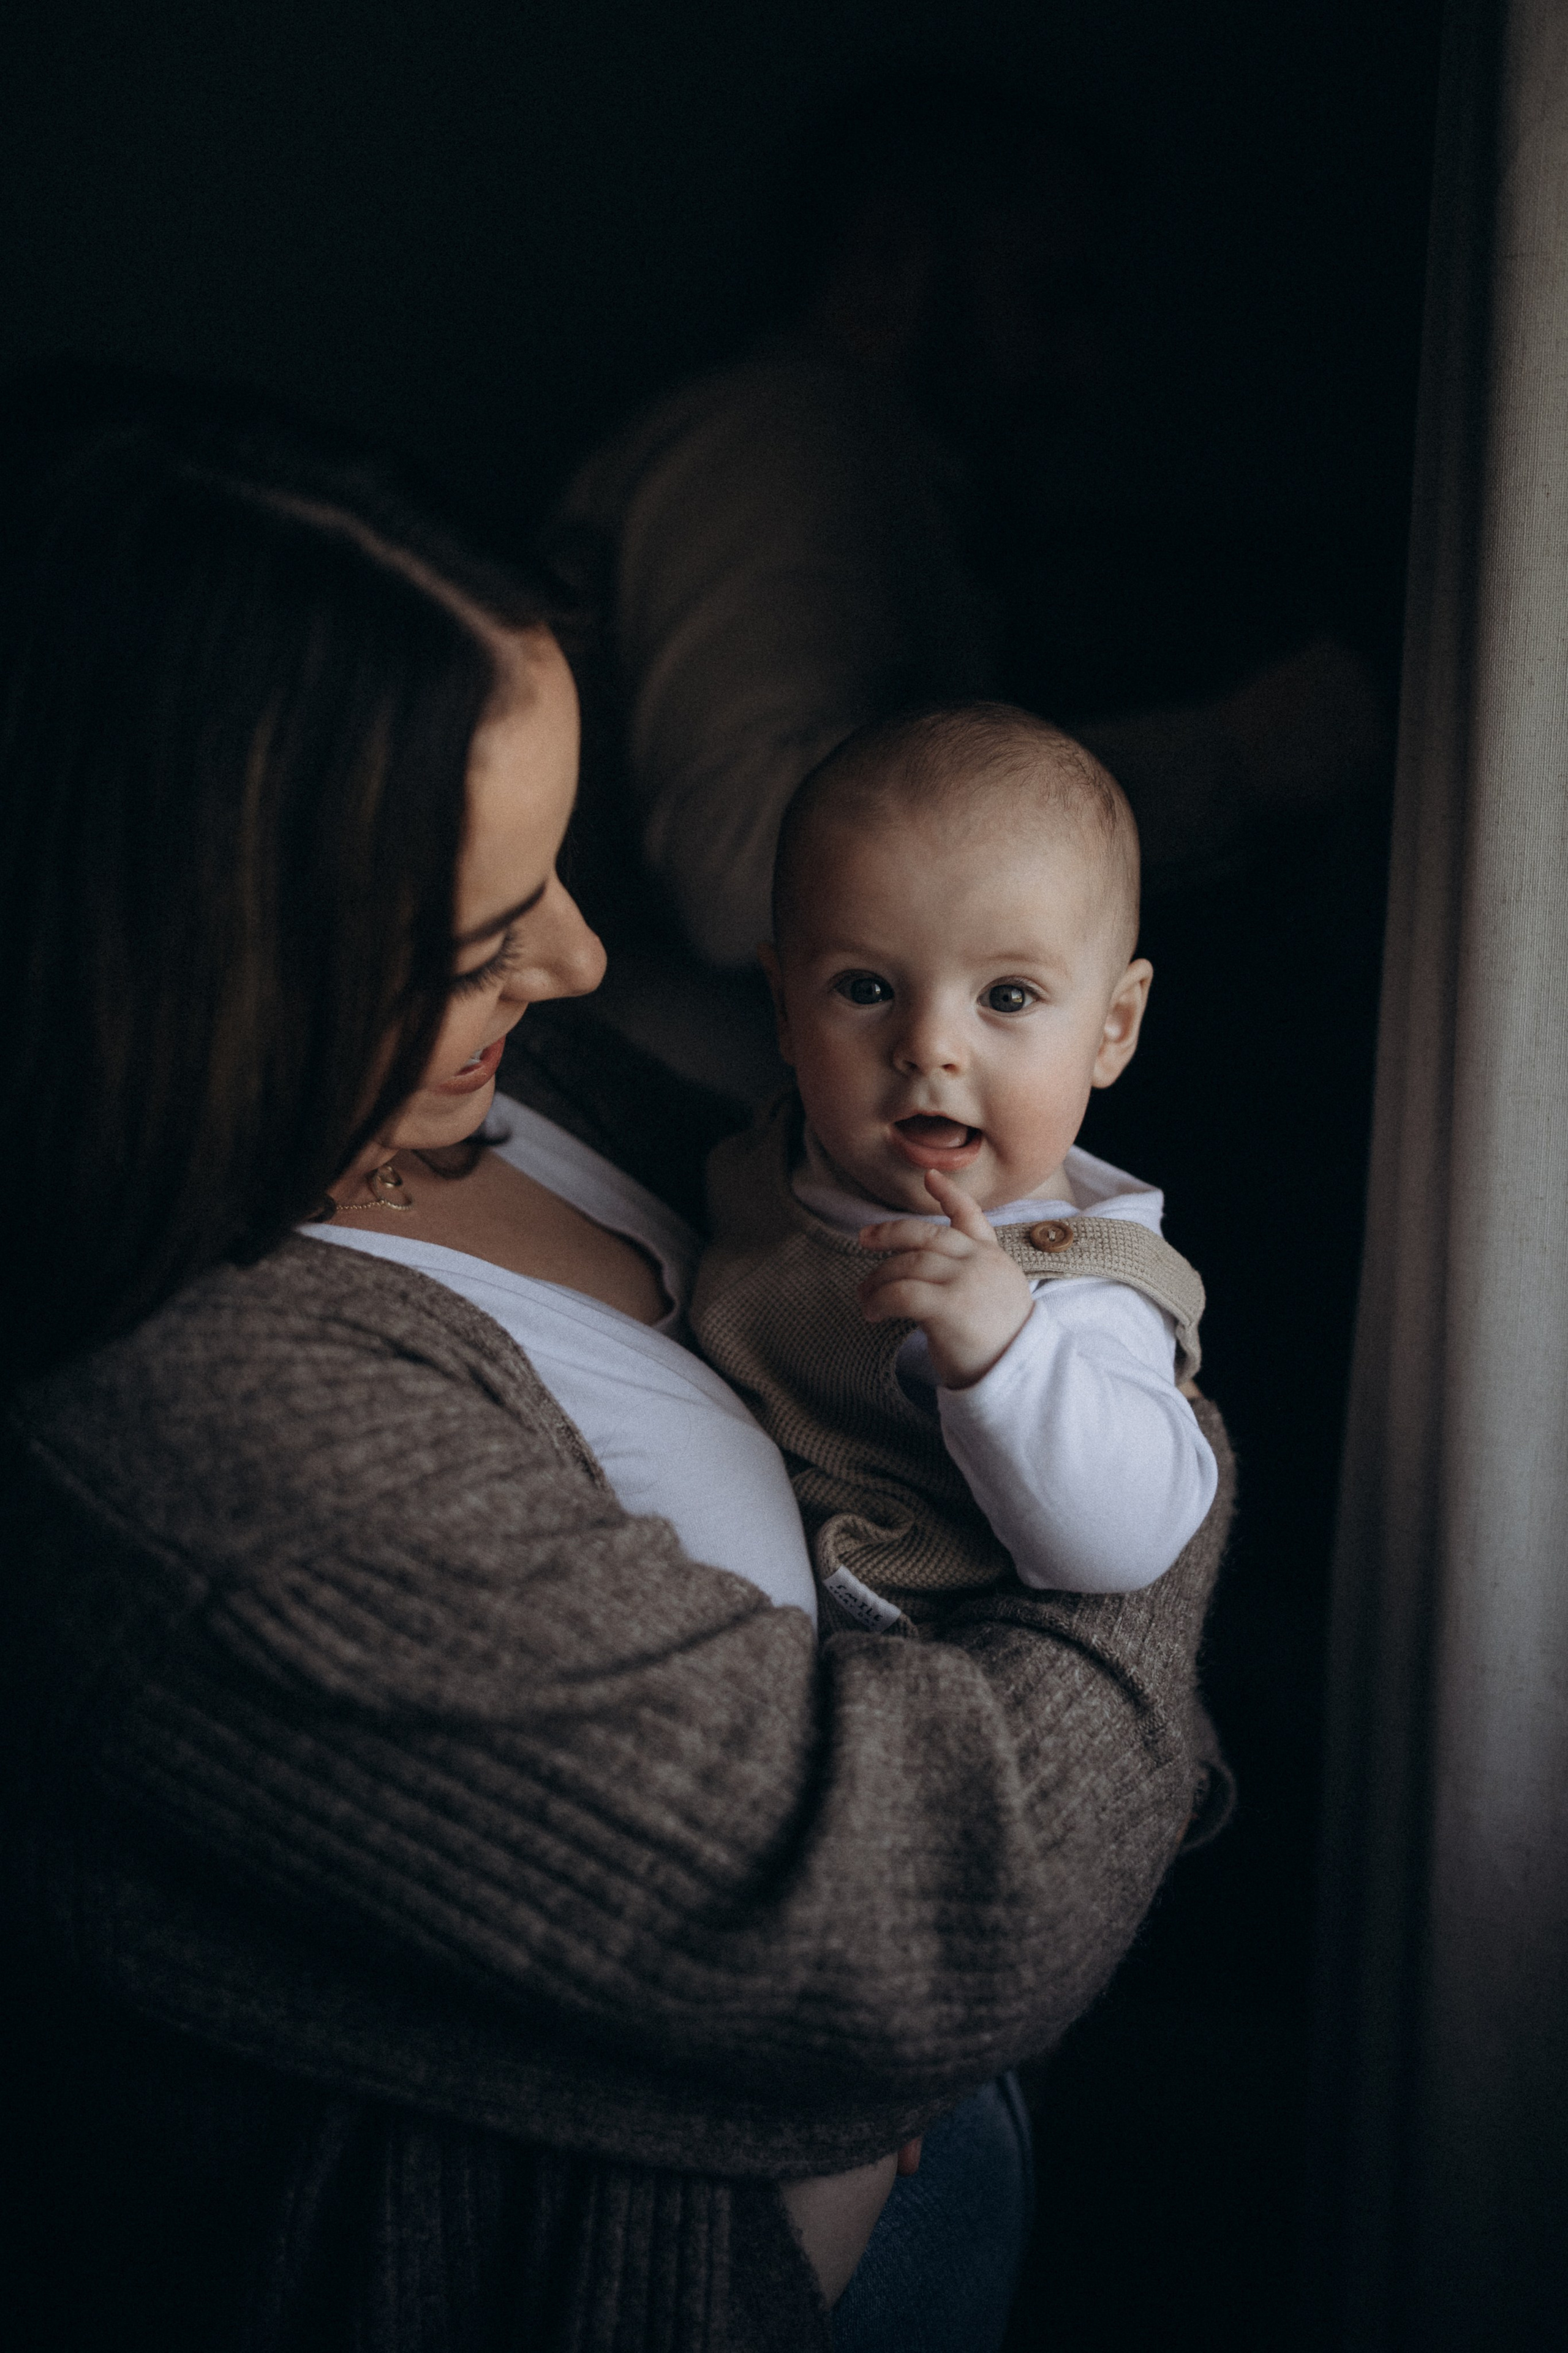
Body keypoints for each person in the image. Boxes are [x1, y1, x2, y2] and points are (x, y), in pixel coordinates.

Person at [1, 392, 1232, 2351]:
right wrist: (1131, 1429)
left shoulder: (505, 1082)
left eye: (556, 874)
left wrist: (1080, 1363)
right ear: (211, 968)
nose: (581, 961)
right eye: (490, 932)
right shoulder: (209, 1441)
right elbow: (913, 1918)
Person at [549, 73, 1388, 1101]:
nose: (1084, 366)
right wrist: (1227, 758)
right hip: (659, 1113)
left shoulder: (877, 468)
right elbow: (737, 874)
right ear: (893, 259)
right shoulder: (794, 437)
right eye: (1050, 293)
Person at [693, 703, 1218, 1636]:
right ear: (784, 1007)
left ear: (1113, 1028)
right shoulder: (778, 1150)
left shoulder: (1083, 1292)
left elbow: (1127, 1545)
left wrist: (1008, 1355)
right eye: (867, 989)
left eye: (1007, 996)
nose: (930, 1046)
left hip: (922, 1643)